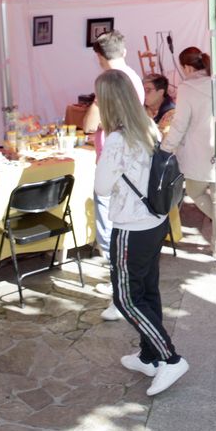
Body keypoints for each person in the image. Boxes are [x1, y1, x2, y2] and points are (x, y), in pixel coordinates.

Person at [93, 69, 189, 396]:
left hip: (130, 228)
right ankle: (149, 356)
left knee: (126, 298)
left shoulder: (117, 139)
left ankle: (169, 357)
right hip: (154, 221)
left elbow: (101, 187)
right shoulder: (147, 124)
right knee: (147, 291)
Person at [83, 30, 146, 321]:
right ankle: (122, 288)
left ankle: (120, 295)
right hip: (130, 162)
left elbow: (89, 124)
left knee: (110, 232)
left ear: (98, 57)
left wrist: (95, 106)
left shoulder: (109, 84)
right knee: (121, 231)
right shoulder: (134, 77)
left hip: (114, 163)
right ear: (124, 50)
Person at [161, 47, 216, 254]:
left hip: (200, 152)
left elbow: (180, 124)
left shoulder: (187, 88)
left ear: (187, 67)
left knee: (195, 191)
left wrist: (166, 148)